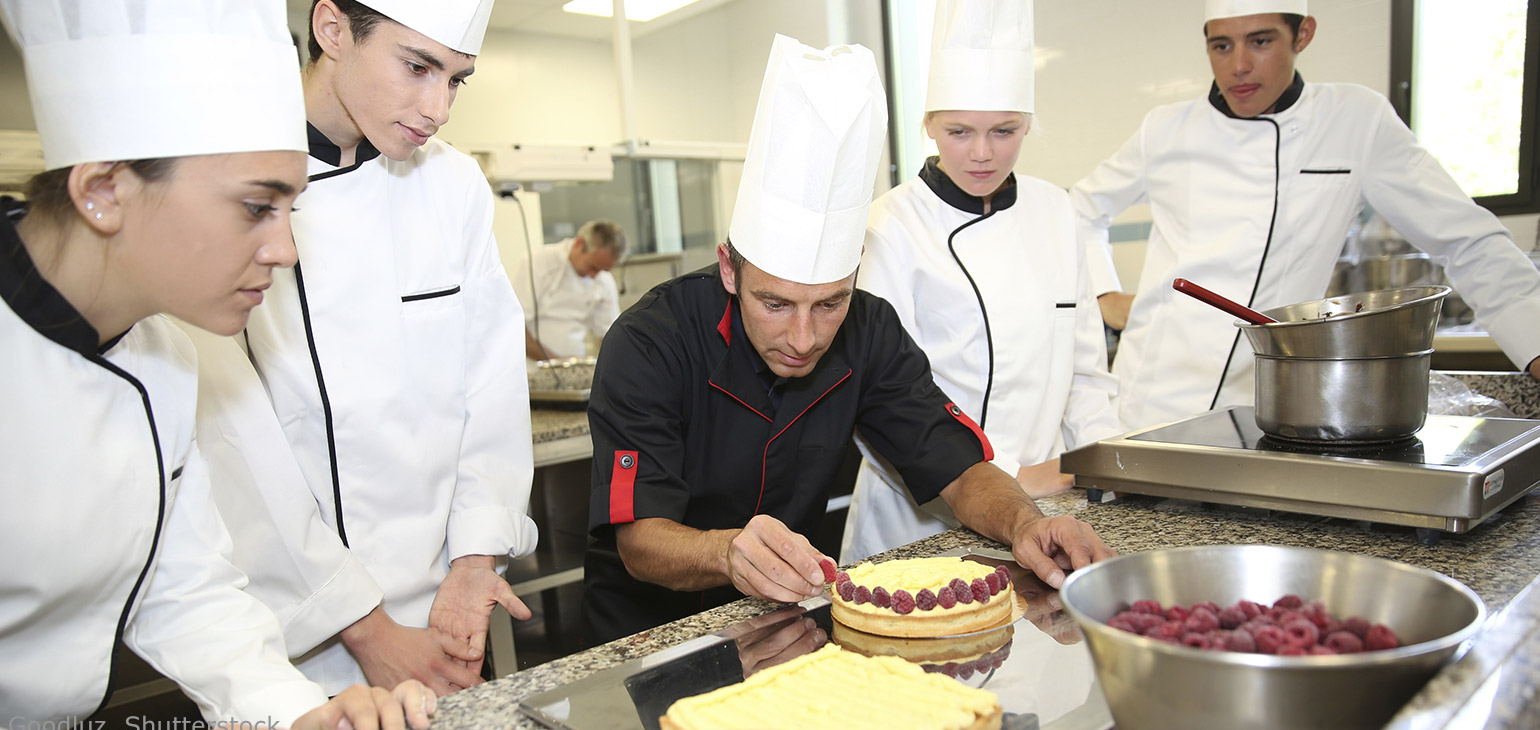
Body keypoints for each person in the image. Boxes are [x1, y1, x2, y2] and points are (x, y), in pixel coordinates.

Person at [580, 34, 1114, 645]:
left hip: (781, 626)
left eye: (829, 302)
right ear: (730, 270)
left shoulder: (870, 329)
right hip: (645, 638)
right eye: (775, 303)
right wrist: (727, 551)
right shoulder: (652, 341)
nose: (803, 338)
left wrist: (1024, 522)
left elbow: (957, 467)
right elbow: (639, 538)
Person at [0, 1, 433, 730]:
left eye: (289, 208)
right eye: (257, 207)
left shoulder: (161, 350)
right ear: (102, 191)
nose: (285, 250)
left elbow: (183, 581)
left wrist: (299, 714)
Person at [185, 0, 538, 696]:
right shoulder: (227, 187)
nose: (438, 107)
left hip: (447, 609)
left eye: (457, 79)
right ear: (333, 29)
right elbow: (233, 444)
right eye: (417, 67)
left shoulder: (454, 184)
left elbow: (491, 386)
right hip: (295, 626)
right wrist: (365, 628)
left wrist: (475, 559)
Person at [1071, 0, 1540, 433]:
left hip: (1270, 402)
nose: (1238, 66)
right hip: (1151, 399)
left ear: (1303, 34)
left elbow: (1467, 240)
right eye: (1221, 45)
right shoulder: (1166, 128)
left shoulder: (1355, 120)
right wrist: (1104, 293)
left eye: (1261, 41)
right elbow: (1081, 210)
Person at [840, 0, 1121, 564]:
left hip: (1056, 509)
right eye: (959, 131)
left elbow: (1087, 372)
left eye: (1005, 130)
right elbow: (878, 402)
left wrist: (1105, 465)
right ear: (928, 125)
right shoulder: (890, 224)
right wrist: (1015, 477)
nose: (983, 153)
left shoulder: (1056, 211)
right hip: (916, 524)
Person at [513, 219, 626, 362]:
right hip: (531, 367)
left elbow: (609, 335)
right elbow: (515, 326)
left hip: (575, 363)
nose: (593, 276)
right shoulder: (536, 263)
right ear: (579, 244)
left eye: (601, 270)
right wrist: (557, 363)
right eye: (592, 267)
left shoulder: (604, 280)